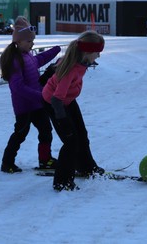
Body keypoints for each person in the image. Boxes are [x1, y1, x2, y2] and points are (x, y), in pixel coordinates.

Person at [42, 30, 105, 191]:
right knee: (70, 141)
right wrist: (63, 122)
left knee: (81, 135)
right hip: (55, 103)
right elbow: (56, 99)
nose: (98, 56)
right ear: (87, 51)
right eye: (97, 52)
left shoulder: (80, 61)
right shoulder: (71, 69)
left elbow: (56, 66)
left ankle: (87, 167)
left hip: (68, 101)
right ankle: (62, 181)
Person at [0, 16, 61, 173]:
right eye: (28, 41)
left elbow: (38, 60)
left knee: (46, 131)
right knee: (20, 134)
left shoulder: (27, 56)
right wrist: (39, 96)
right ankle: (7, 163)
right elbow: (17, 87)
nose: (32, 44)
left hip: (37, 104)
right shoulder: (15, 60)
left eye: (32, 41)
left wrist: (55, 50)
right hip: (24, 106)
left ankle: (45, 160)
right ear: (18, 42)